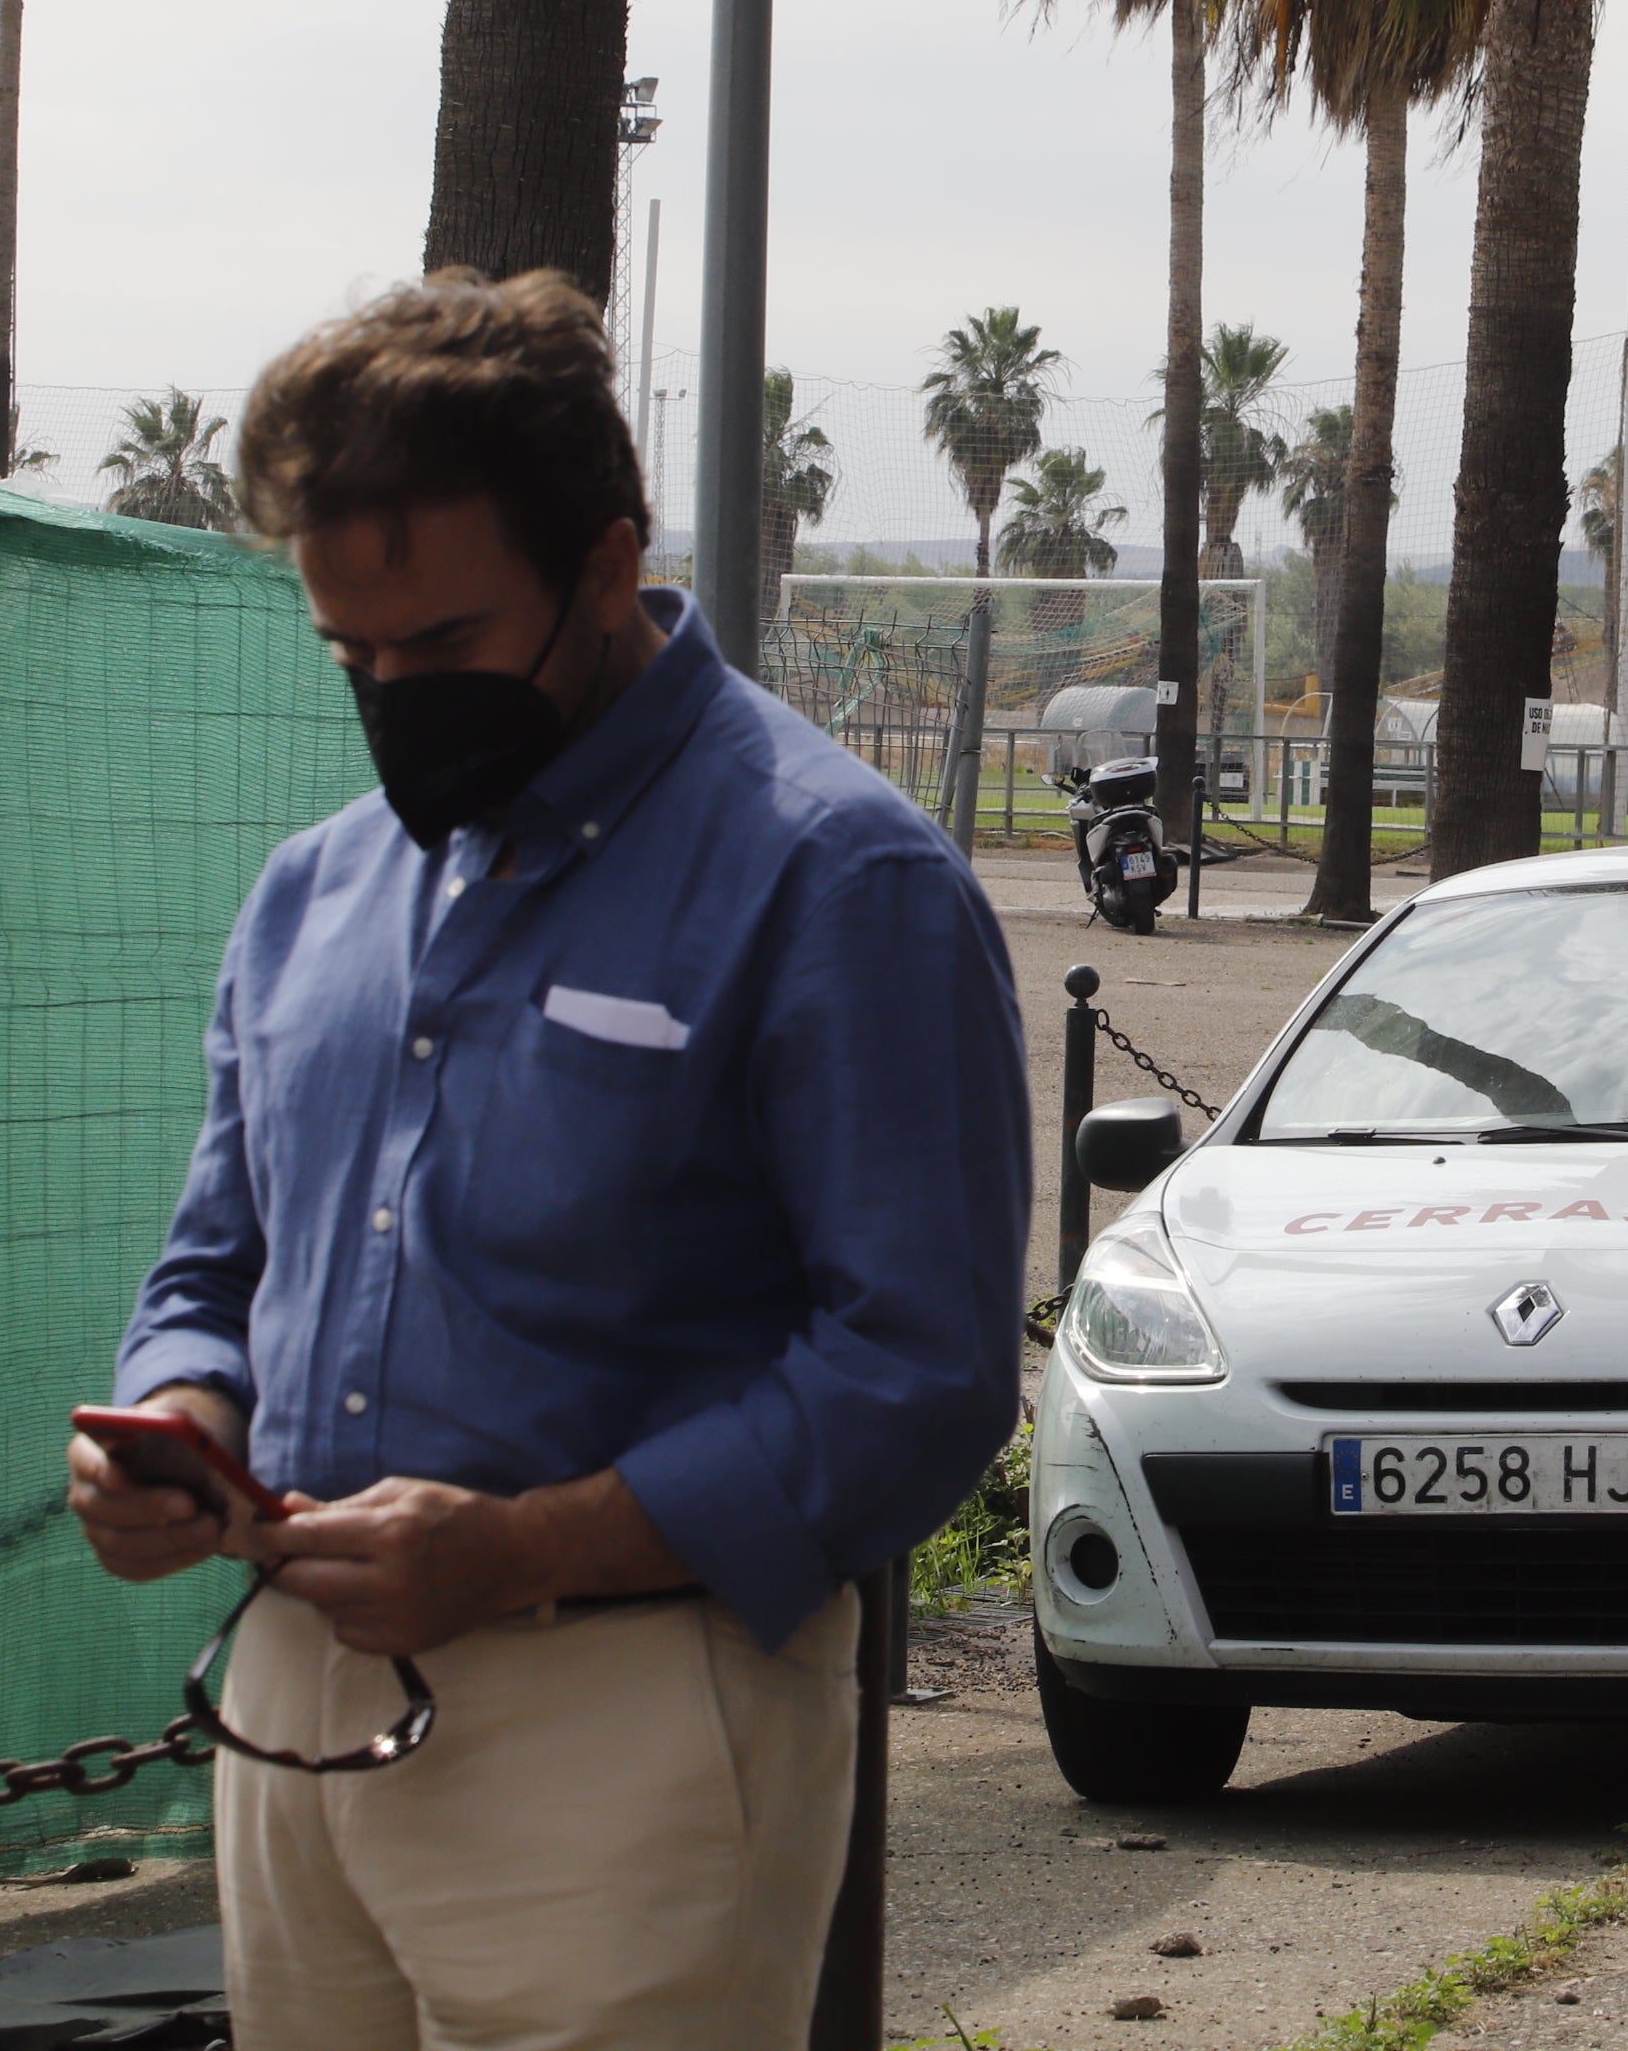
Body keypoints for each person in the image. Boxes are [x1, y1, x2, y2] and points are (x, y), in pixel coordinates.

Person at [73, 270, 1030, 2051]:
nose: (390, 696)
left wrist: (521, 1548)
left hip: (632, 1721)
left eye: (437, 647)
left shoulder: (836, 878)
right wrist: (180, 1423)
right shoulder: (314, 891)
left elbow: (921, 1370)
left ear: (608, 564)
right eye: (348, 658)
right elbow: (216, 1267)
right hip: (294, 1706)